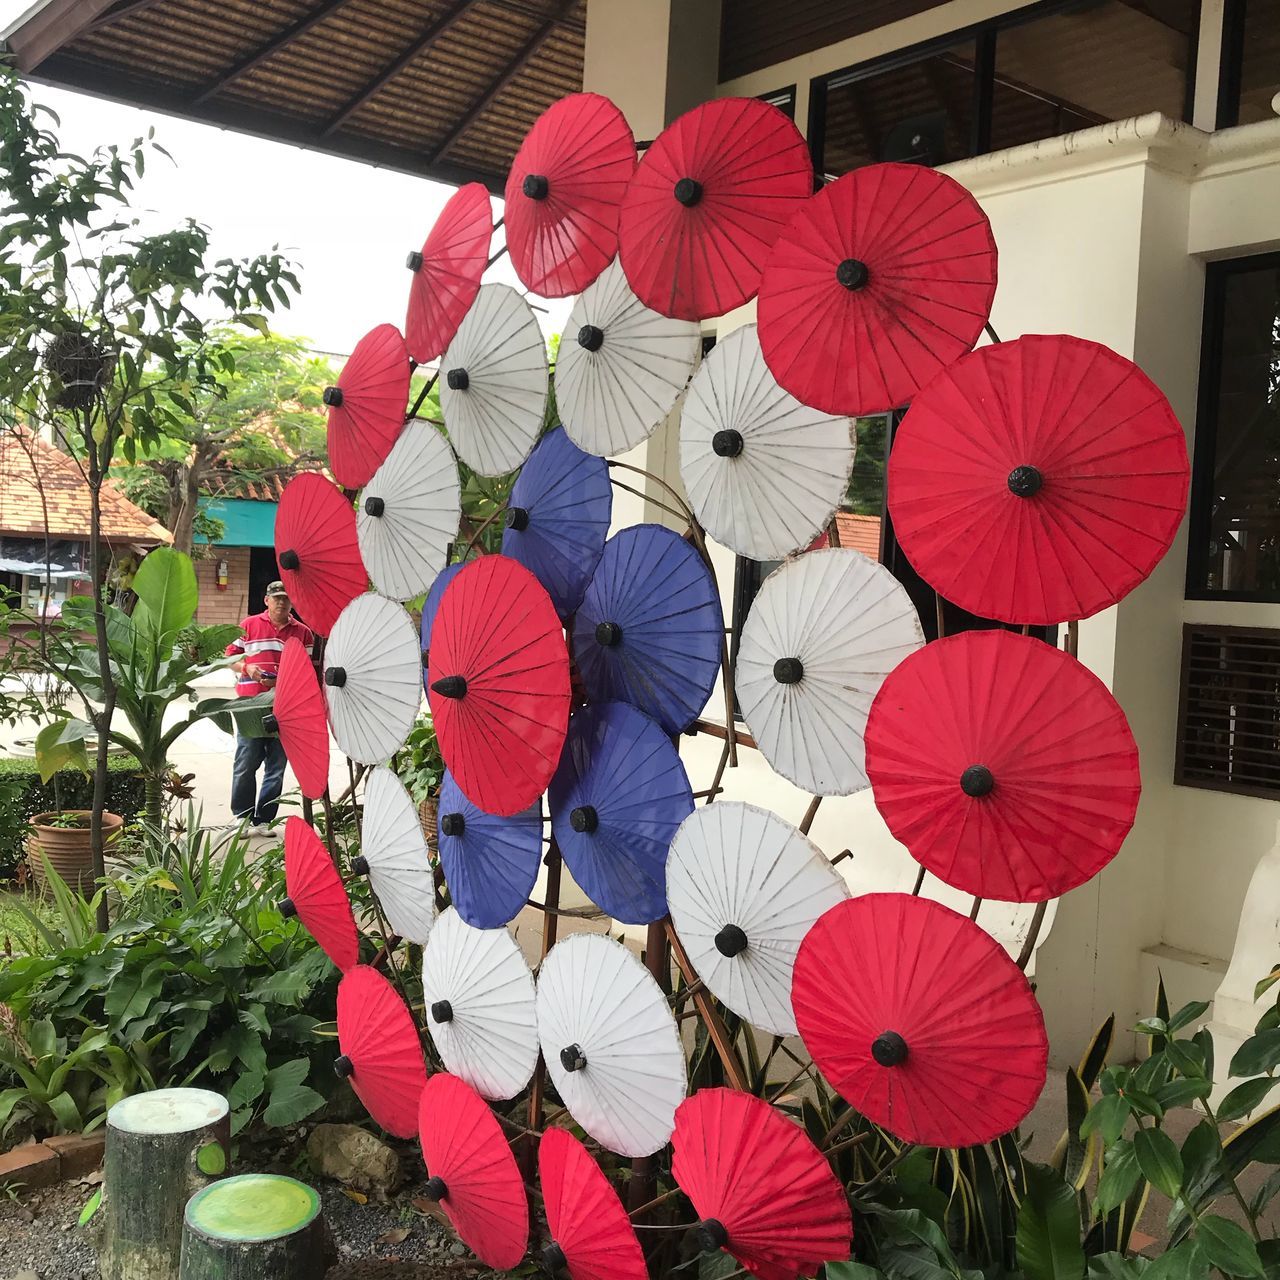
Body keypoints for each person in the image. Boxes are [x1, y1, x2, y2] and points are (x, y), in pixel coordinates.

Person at [225, 581, 314, 833]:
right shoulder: (248, 625)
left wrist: (283, 678)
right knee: (246, 762)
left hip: (285, 706)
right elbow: (229, 657)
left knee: (276, 766)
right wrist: (246, 668)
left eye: (286, 598)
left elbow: (305, 669)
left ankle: (264, 819)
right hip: (251, 705)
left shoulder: (303, 632)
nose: (281, 602)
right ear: (266, 600)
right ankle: (241, 818)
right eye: (276, 598)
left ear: (292, 602)